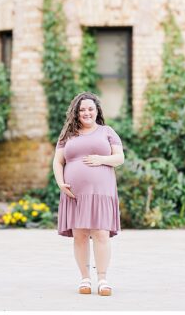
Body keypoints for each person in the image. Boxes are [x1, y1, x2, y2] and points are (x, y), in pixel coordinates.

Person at [52, 92, 125, 296]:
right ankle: (85, 279)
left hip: (102, 192)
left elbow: (119, 158)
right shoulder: (67, 135)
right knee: (80, 235)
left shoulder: (107, 131)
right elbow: (58, 161)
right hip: (75, 193)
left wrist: (101, 159)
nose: (86, 112)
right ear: (76, 113)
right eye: (82, 109)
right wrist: (60, 183)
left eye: (90, 109)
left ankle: (102, 279)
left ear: (97, 111)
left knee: (101, 233)